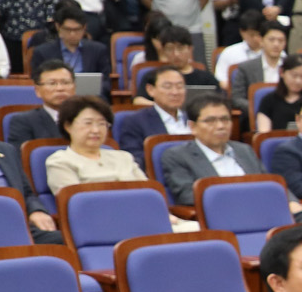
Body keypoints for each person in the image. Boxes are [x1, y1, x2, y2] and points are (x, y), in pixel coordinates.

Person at [45, 96, 198, 231]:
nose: (96, 130)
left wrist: (164, 215)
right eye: (88, 123)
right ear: (68, 126)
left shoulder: (123, 157)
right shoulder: (60, 162)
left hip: (146, 219)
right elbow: (78, 207)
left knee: (202, 229)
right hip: (102, 226)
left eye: (102, 124)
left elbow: (149, 193)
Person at [160, 93, 299, 213]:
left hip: (263, 210)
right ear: (193, 126)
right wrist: (243, 200)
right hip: (222, 215)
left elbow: (270, 182)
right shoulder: (177, 156)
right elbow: (188, 196)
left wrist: (291, 202)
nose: (221, 126)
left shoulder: (244, 150)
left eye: (225, 119)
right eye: (210, 121)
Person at [0, 87, 61, 243]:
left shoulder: (5, 150)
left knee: (66, 242)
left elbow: (27, 193)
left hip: (16, 226)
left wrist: (36, 211)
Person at [119, 67, 194, 172]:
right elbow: (135, 160)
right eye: (168, 87)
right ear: (151, 90)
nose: (175, 92)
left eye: (180, 86)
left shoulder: (195, 119)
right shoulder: (135, 121)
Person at [7, 59, 76, 146]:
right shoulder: (24, 121)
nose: (60, 88)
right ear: (38, 90)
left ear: (74, 87)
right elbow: (20, 157)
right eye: (52, 83)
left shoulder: (87, 118)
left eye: (65, 82)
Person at [228, 16, 290, 109]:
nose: (276, 44)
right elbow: (237, 99)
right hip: (255, 115)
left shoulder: (291, 67)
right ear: (261, 41)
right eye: (271, 40)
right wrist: (259, 108)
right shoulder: (246, 68)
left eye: (280, 40)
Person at [30, 4, 109, 77]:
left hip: (88, 92)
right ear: (58, 27)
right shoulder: (42, 52)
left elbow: (105, 82)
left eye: (77, 29)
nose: (72, 34)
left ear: (84, 27)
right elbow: (38, 81)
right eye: (67, 29)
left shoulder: (98, 50)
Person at [257, 54, 302, 133]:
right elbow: (264, 134)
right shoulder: (269, 100)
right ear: (282, 72)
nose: (298, 81)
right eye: (294, 75)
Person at [213, 10, 267, 93]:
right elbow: (220, 80)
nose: (256, 38)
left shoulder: (274, 53)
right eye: (252, 34)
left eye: (259, 34)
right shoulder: (229, 52)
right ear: (242, 32)